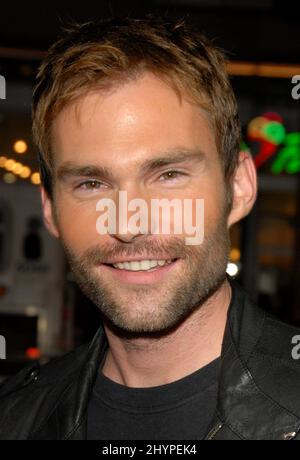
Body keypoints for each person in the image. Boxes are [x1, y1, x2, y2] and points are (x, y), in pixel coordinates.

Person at [1, 15, 300, 441]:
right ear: (50, 210)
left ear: (238, 187)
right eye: (91, 184)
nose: (129, 223)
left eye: (169, 175)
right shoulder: (16, 420)